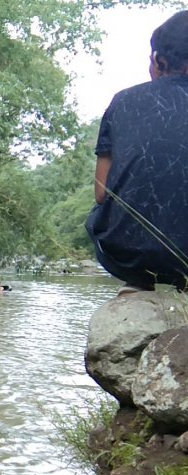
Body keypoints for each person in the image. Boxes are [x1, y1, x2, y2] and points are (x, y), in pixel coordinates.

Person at [86, 11, 188, 296]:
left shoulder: (123, 101)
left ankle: (139, 285)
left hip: (127, 254)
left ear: (159, 61)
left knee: (98, 213)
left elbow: (101, 193)